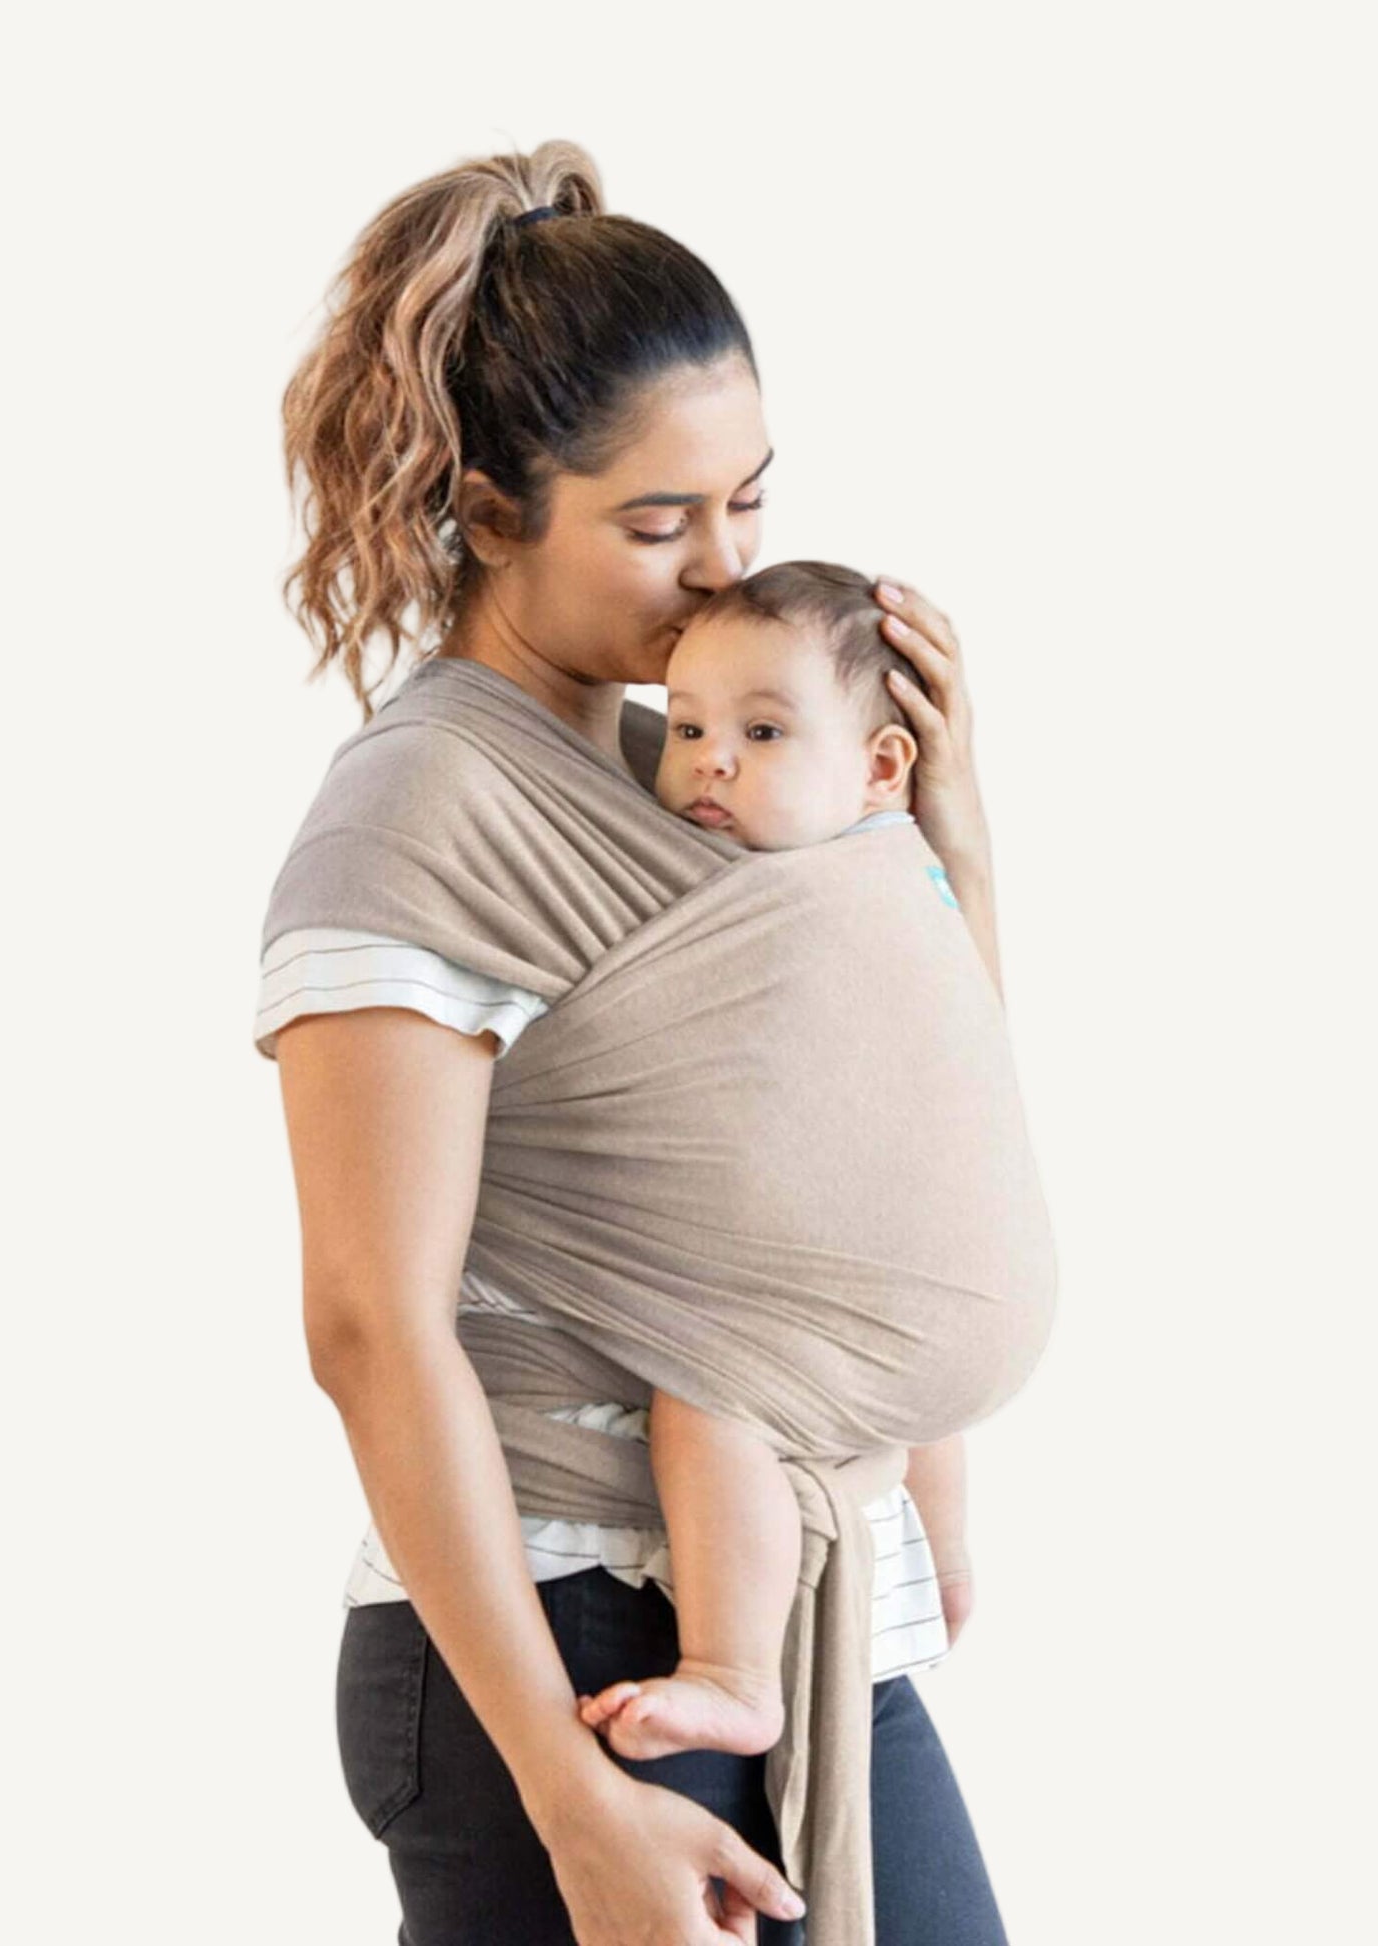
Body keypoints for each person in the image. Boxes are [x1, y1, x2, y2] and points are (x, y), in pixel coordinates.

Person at [258, 140, 1011, 1945]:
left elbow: (907, 1127)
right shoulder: (423, 809)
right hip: (568, 1644)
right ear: (485, 507)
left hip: (778, 1621)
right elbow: (371, 1326)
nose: (720, 574)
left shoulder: (711, 776)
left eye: (747, 504)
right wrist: (567, 1798)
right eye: (657, 525)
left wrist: (949, 834)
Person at [575, 559, 998, 1767]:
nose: (708, 757)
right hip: (903, 1266)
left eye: (761, 732)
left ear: (877, 768)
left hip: (870, 1258)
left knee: (704, 1394)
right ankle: (942, 1559)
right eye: (691, 723)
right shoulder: (890, 875)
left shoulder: (844, 883)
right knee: (912, 1411)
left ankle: (730, 1666)